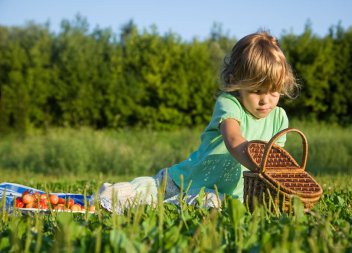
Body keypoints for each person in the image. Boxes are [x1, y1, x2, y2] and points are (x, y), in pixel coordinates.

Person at [98, 31, 299, 213]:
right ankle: (117, 196)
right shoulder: (229, 104)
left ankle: (173, 205)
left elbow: (277, 162)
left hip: (227, 195)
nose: (265, 100)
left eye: (273, 91)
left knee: (213, 204)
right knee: (144, 193)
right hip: (184, 181)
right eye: (256, 91)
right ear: (237, 84)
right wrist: (260, 165)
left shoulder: (279, 118)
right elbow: (233, 139)